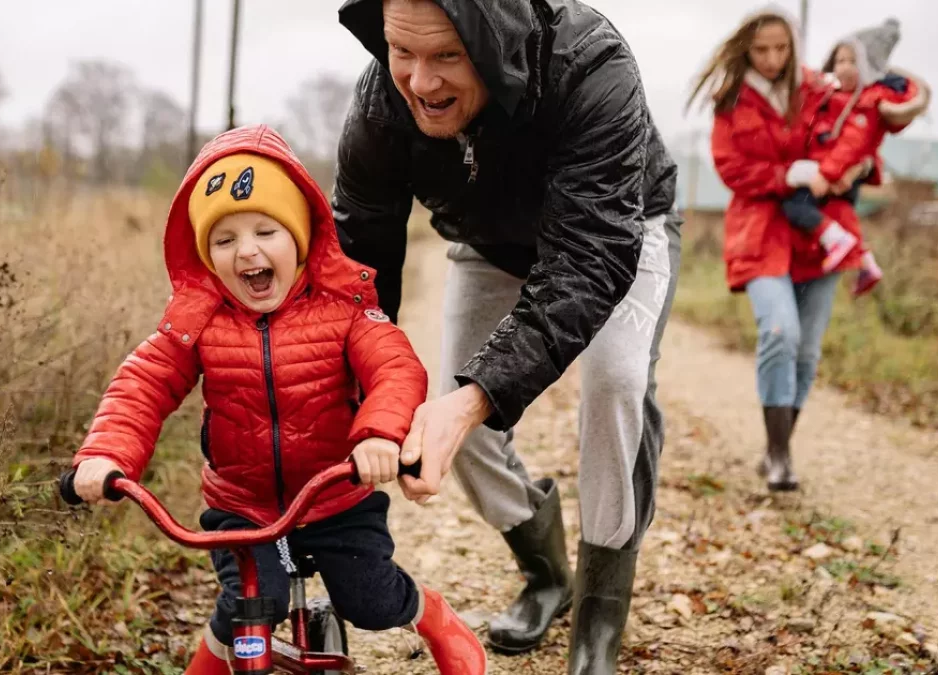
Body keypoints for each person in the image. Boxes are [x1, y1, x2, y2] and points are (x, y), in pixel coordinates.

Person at [333, 0, 681, 671]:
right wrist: (361, 404)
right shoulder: (381, 100)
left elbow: (586, 261)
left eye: (445, 56)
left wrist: (475, 396)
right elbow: (360, 270)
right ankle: (547, 572)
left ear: (493, 41)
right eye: (402, 51)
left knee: (615, 383)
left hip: (617, 232)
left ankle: (599, 619)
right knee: (453, 414)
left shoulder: (592, 65)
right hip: (488, 241)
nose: (420, 82)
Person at [67, 124, 486, 675]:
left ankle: (433, 615)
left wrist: (379, 432)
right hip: (242, 503)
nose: (247, 251)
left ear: (301, 237)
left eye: (267, 230)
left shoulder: (344, 308)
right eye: (224, 239)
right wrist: (107, 456)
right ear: (206, 254)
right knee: (245, 607)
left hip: (336, 495)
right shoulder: (197, 319)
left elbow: (397, 368)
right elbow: (142, 385)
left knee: (372, 601)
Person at [687, 7, 925, 492]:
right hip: (760, 232)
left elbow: (865, 117)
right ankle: (777, 455)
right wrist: (789, 175)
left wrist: (863, 164)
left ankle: (780, 449)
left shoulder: (818, 86)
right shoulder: (730, 99)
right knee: (780, 332)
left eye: (781, 48)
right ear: (745, 49)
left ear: (793, 46)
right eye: (761, 49)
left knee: (807, 351)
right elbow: (732, 170)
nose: (773, 58)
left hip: (821, 232)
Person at [781, 17, 930, 295]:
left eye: (852, 61)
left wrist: (827, 175)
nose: (844, 68)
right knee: (841, 214)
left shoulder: (864, 105)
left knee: (795, 207)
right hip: (832, 172)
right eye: (839, 61)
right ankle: (865, 262)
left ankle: (836, 241)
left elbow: (851, 145)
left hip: (831, 174)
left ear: (868, 68)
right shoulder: (832, 97)